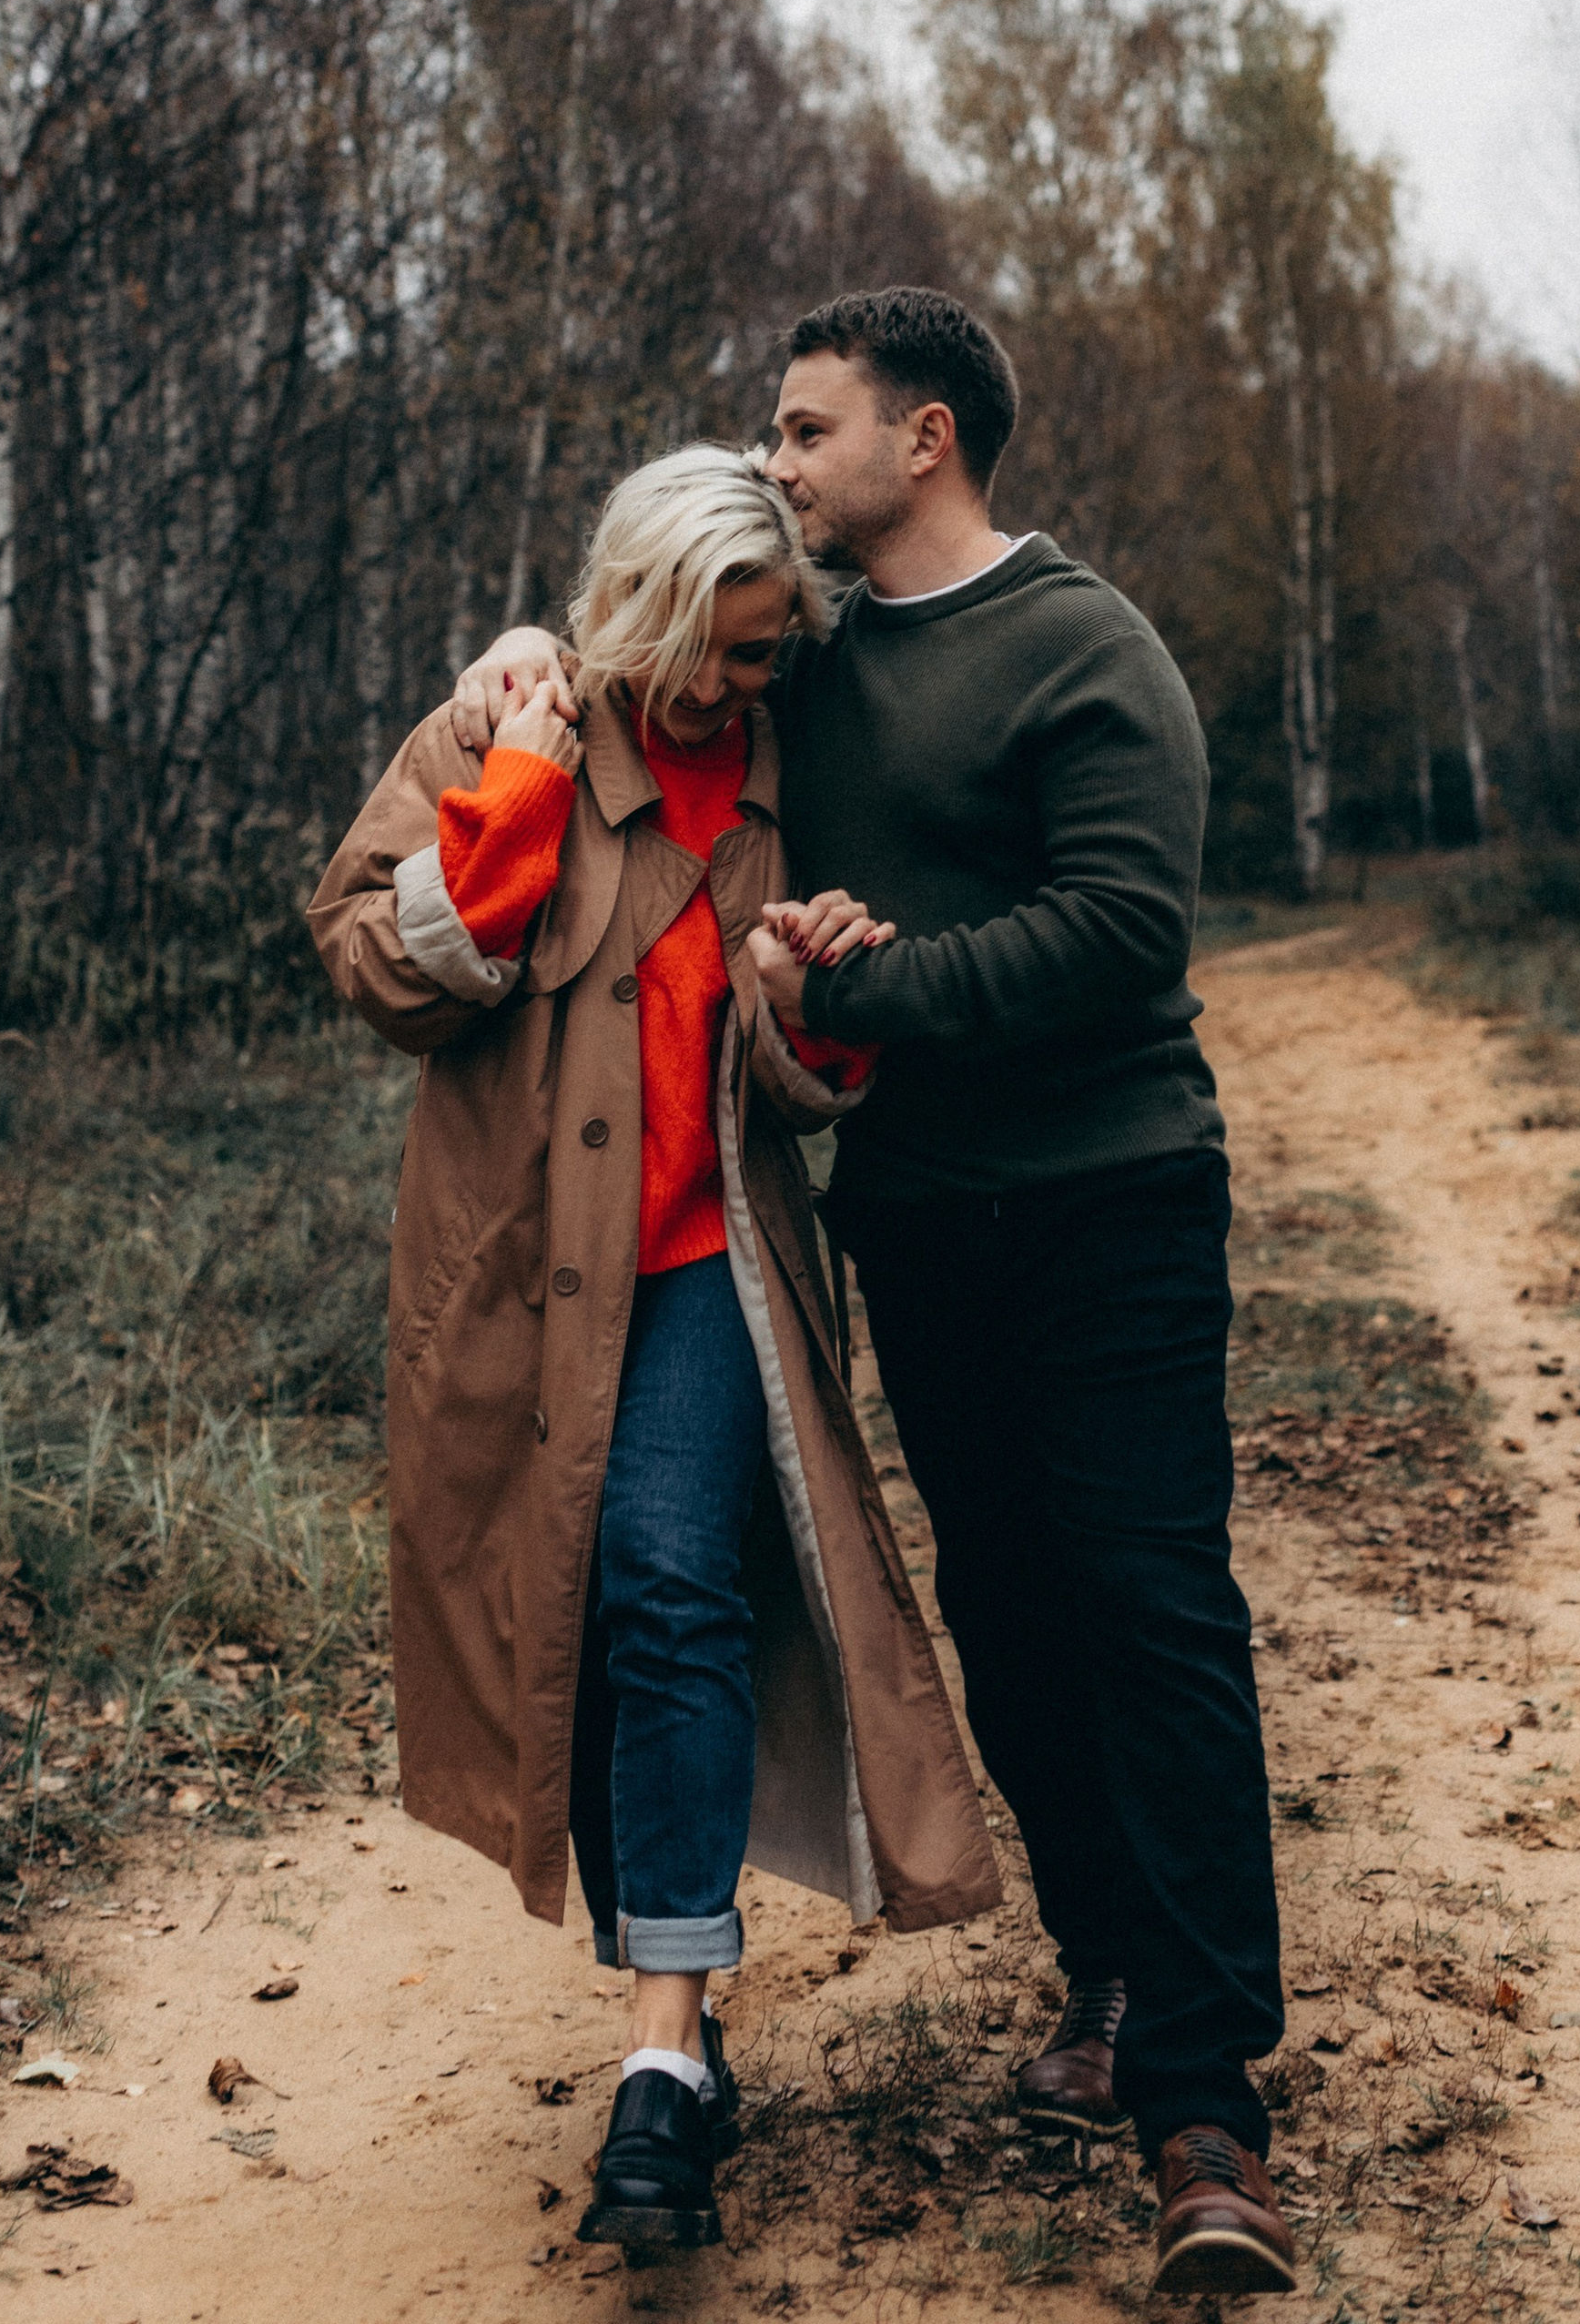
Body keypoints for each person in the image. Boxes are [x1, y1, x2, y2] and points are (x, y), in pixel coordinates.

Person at [458, 294, 1294, 2298]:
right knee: (1003, 1603)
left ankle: (1205, 2101)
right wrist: (524, 660)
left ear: (923, 440)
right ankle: (1107, 1973)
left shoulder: (1081, 644)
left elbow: (1115, 932)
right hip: (916, 1221)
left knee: (1151, 1606)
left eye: (803, 423)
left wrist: (858, 982)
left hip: (1110, 1204)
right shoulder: (806, 662)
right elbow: (664, 695)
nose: (776, 449)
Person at [310, 445, 999, 2261]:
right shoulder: (513, 724)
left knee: (674, 1589)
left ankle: (662, 2057)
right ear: (641, 609)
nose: (736, 686)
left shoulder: (792, 785)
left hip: (705, 1265)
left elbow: (791, 1078)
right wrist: (510, 805)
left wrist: (804, 1011)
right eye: (716, 646)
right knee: (590, 1634)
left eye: (768, 654)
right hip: (521, 1276)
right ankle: (675, 2000)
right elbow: (370, 962)